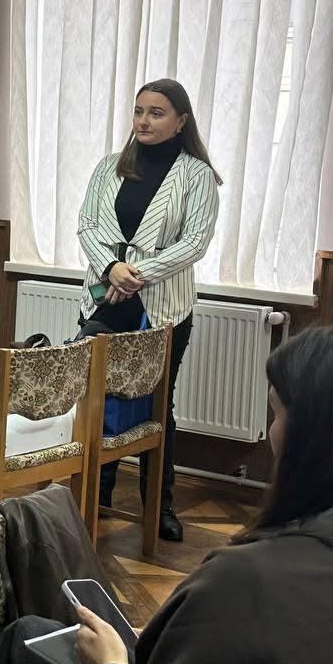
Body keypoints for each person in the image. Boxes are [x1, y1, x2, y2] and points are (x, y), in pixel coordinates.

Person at [0, 324, 333, 664]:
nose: (272, 434)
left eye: (276, 413)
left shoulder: (241, 580)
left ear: (307, 437)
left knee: (24, 636)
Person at [77, 79, 221, 542]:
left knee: (158, 405)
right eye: (139, 111)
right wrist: (111, 269)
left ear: (181, 121)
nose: (144, 120)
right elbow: (87, 225)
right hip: (105, 297)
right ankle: (96, 495)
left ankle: (159, 506)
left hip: (163, 306)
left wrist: (135, 275)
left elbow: (194, 243)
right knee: (98, 401)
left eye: (156, 113)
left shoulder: (197, 175)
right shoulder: (109, 167)